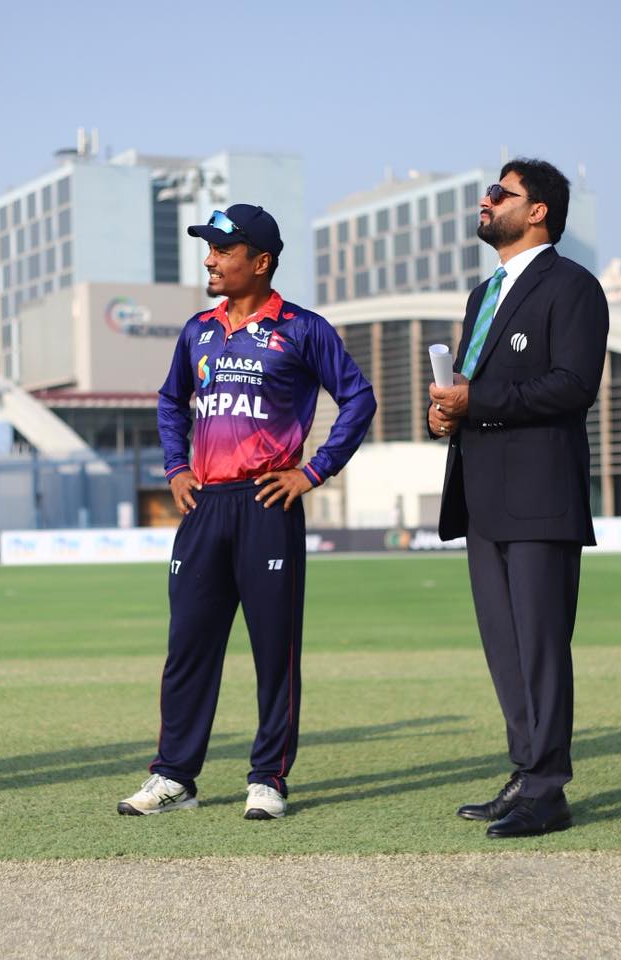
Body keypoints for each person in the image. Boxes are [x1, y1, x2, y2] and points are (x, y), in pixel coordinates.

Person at [118, 204, 376, 820]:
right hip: (204, 506)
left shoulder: (303, 328)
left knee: (273, 651)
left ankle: (268, 778)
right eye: (208, 249)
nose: (209, 260)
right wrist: (175, 467)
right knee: (188, 647)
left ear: (260, 262)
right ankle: (174, 777)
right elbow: (171, 401)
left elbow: (358, 399)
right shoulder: (197, 330)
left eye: (222, 250)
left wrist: (313, 471)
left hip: (267, 504)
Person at [428, 159, 609, 838]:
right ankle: (526, 772)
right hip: (481, 498)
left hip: (540, 497)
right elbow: (472, 387)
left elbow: (574, 385)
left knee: (540, 648)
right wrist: (445, 414)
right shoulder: (484, 294)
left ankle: (548, 790)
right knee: (506, 652)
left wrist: (477, 400)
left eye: (500, 193)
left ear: (538, 211)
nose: (487, 200)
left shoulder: (574, 287)